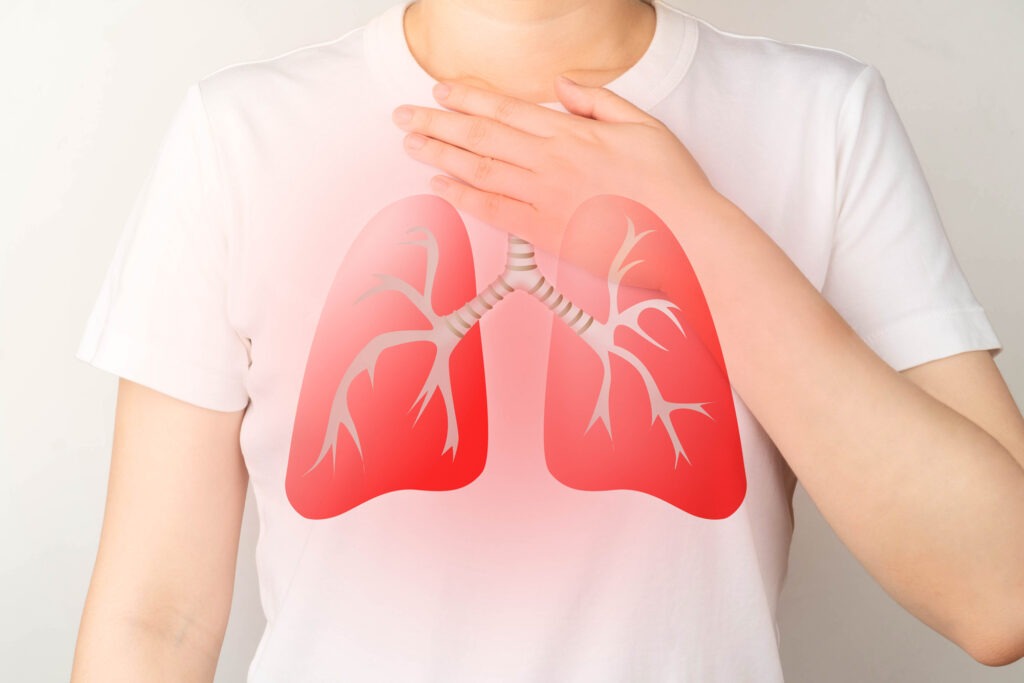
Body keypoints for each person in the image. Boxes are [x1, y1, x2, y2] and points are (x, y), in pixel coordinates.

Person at [71, 0, 1024, 680]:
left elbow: (1002, 591)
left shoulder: (822, 119)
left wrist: (692, 232)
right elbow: (156, 621)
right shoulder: (240, 135)